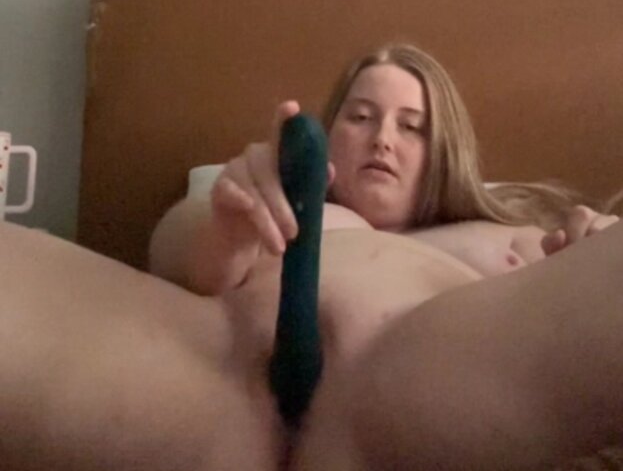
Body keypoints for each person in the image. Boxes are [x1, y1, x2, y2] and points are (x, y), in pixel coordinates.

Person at [0, 44, 620, 471]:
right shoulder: (268, 200)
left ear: (445, 150)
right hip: (215, 373)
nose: (382, 138)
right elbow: (172, 255)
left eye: (412, 126)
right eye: (360, 116)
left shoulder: (498, 229)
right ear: (328, 132)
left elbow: (563, 300)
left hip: (435, 377)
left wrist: (592, 241)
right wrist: (229, 224)